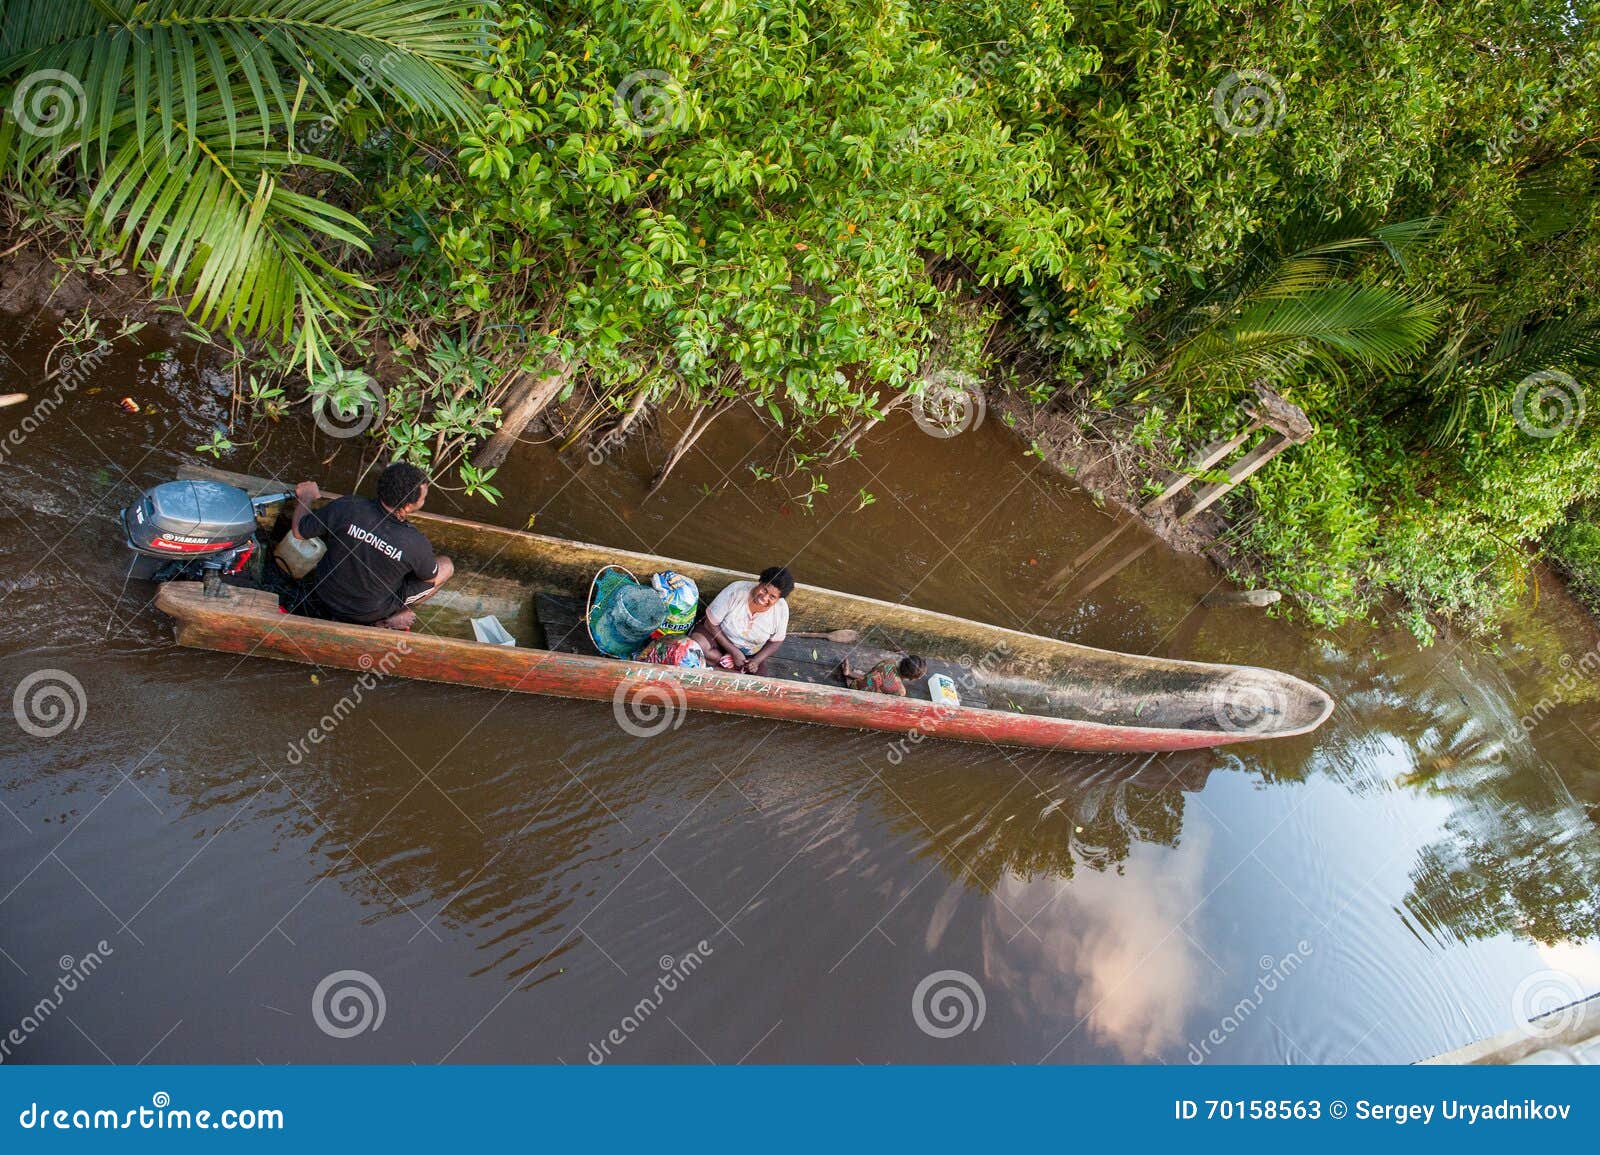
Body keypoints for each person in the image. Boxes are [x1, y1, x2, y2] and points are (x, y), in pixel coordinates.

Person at [290, 462, 454, 631]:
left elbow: (299, 531)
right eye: (423, 498)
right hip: (367, 612)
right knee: (446, 566)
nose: (424, 500)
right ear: (407, 507)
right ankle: (388, 619)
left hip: (324, 590)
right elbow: (429, 577)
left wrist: (306, 497)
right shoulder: (415, 542)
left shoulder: (348, 506)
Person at [690, 565, 794, 674]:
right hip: (717, 639)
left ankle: (721, 668)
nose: (765, 597)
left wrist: (756, 661)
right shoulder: (736, 591)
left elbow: (776, 641)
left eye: (772, 597)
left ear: (778, 599)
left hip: (748, 654)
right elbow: (710, 624)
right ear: (760, 582)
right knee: (698, 645)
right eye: (764, 590)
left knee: (759, 677)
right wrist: (734, 652)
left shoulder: (781, 609)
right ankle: (725, 666)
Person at [840, 654, 928, 697]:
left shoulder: (888, 662)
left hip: (856, 685)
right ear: (911, 679)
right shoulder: (900, 691)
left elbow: (869, 676)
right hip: (861, 698)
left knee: (874, 678)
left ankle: (849, 674)